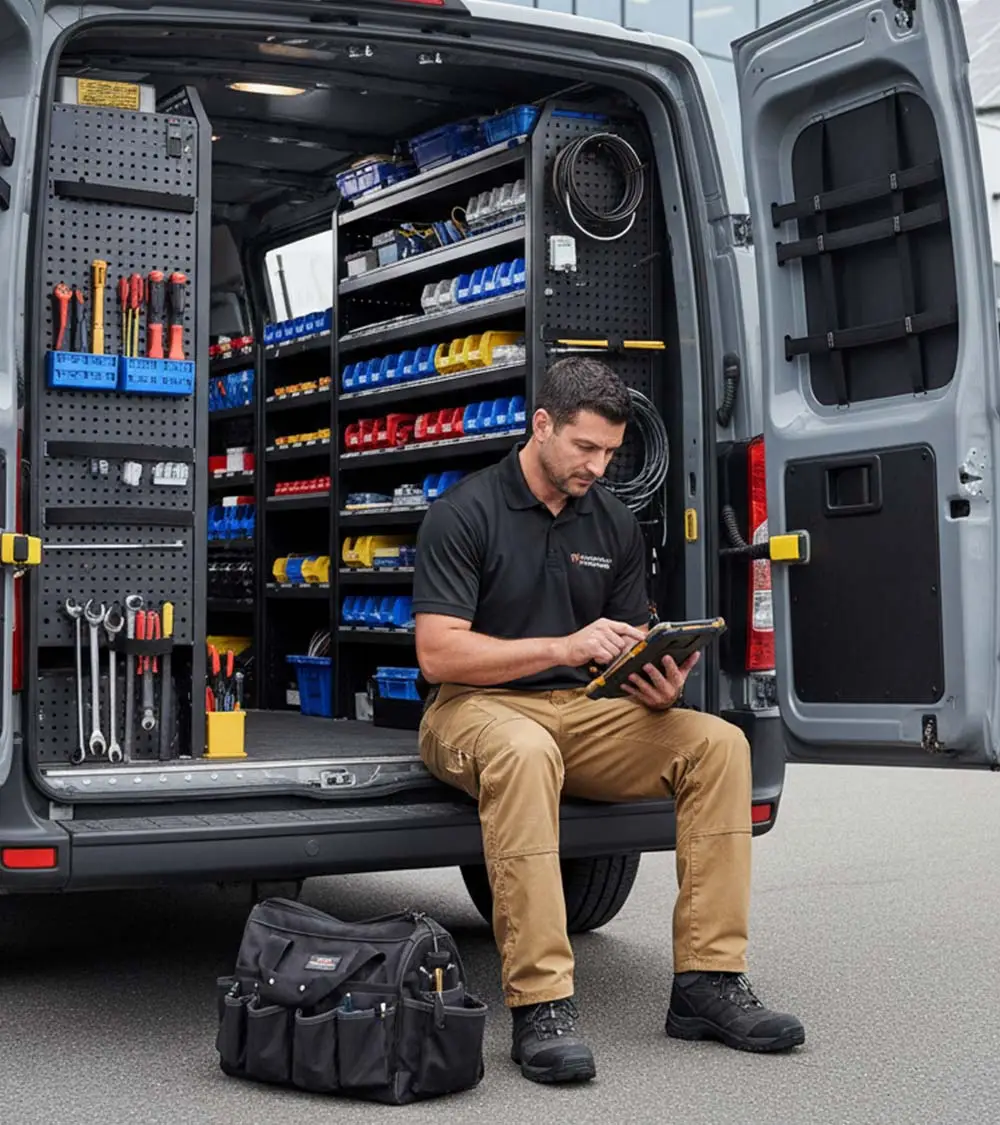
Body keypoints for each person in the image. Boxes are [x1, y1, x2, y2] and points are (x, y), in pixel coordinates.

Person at [411, 356, 804, 1085]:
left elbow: (624, 641)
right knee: (525, 751)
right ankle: (542, 1004)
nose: (598, 465)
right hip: (473, 706)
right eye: (585, 447)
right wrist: (563, 647)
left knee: (718, 744)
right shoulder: (464, 512)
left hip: (586, 709)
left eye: (610, 452)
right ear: (542, 425)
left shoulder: (614, 522)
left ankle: (709, 981)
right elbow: (438, 653)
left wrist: (653, 683)